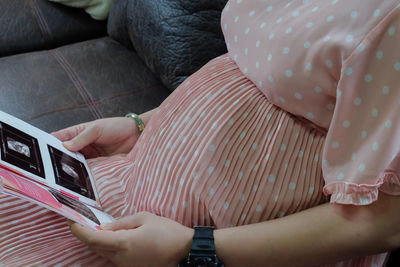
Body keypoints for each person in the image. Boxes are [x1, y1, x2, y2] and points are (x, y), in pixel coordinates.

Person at [1, 0, 399, 266]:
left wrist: (194, 248)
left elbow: (384, 222)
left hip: (225, 244)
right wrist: (141, 124)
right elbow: (253, 63)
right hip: (138, 182)